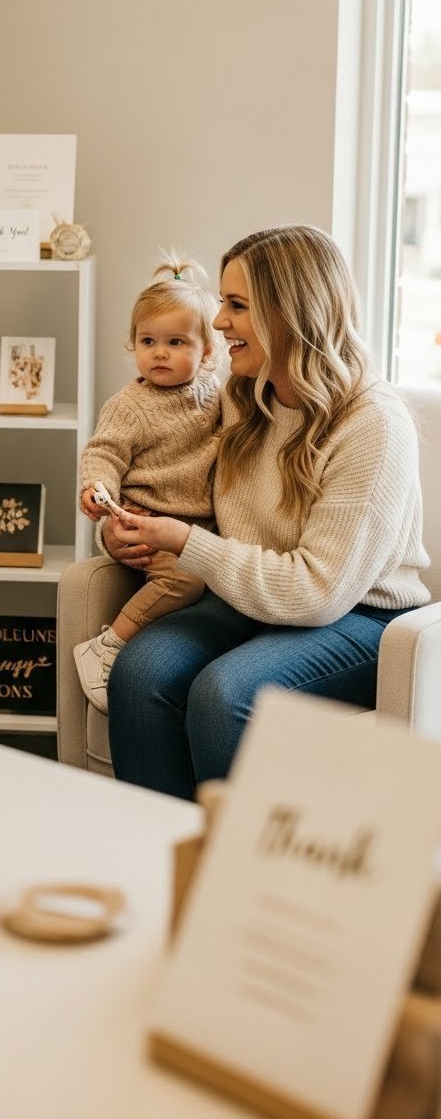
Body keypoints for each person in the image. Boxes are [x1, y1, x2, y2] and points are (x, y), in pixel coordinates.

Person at [100, 225, 429, 799]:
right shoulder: (242, 394)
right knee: (140, 670)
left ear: (289, 313)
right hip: (250, 600)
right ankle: (161, 863)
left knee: (225, 693)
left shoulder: (373, 424)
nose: (218, 321)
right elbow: (174, 485)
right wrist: (121, 530)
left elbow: (317, 591)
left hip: (358, 616)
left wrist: (185, 542)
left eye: (236, 306)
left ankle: (233, 880)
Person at [73, 256, 222, 712]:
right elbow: (103, 453)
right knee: (186, 579)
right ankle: (108, 644)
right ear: (133, 344)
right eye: (148, 341)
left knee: (205, 574)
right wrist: (96, 488)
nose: (160, 352)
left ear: (207, 352)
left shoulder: (217, 395)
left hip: (199, 528)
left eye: (176, 342)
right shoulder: (129, 405)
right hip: (147, 523)